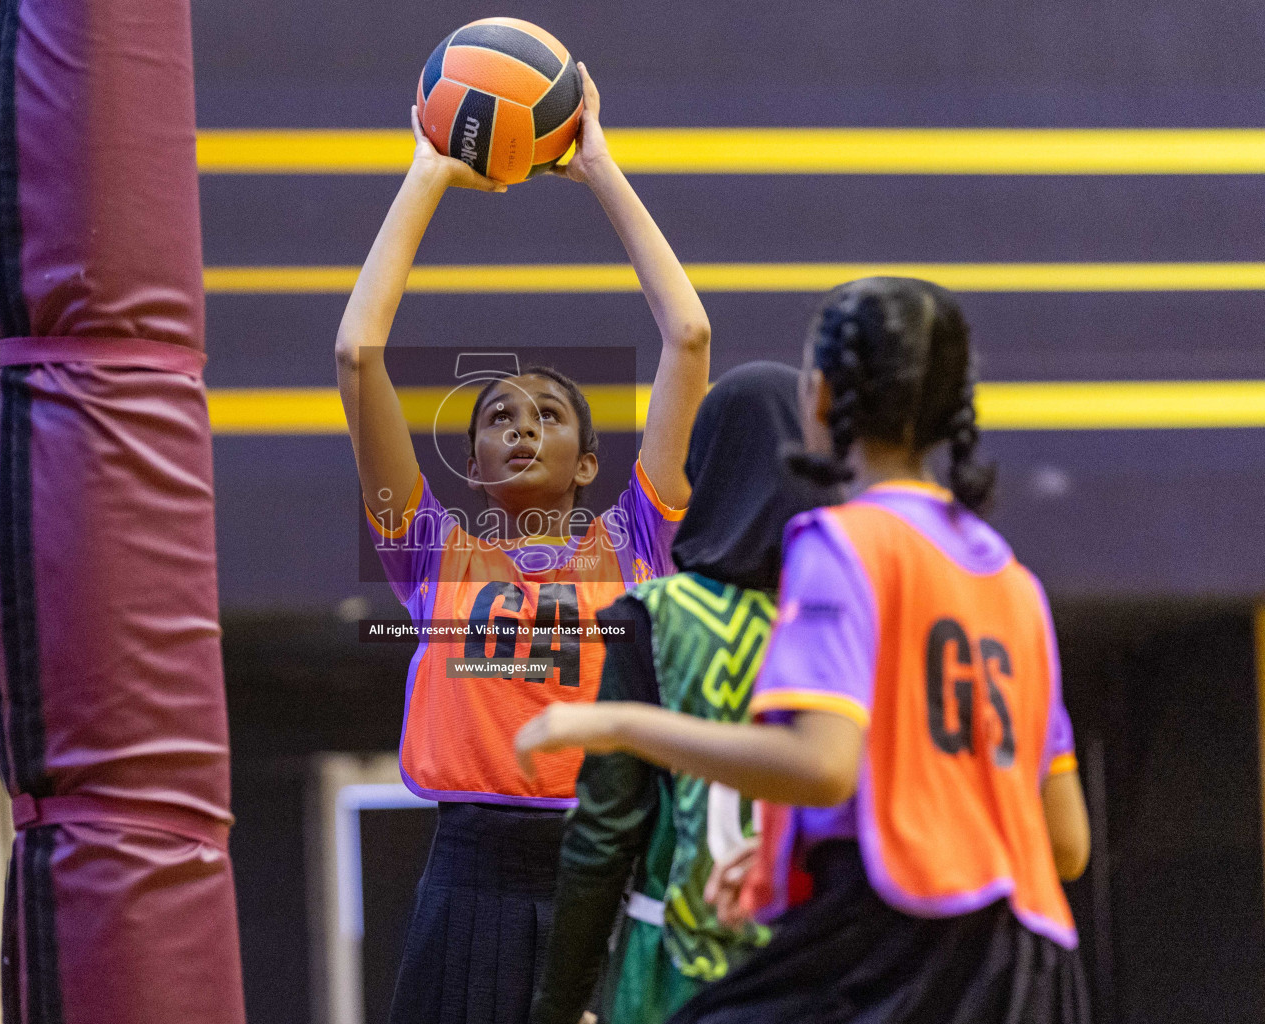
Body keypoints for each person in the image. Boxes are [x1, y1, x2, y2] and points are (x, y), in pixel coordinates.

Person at [517, 277, 1092, 1024]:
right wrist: (777, 859)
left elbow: (821, 768)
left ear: (819, 401)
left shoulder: (839, 545)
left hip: (902, 952)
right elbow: (1067, 841)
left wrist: (617, 726)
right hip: (1033, 970)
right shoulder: (1011, 580)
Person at [335, 64, 710, 1024]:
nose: (523, 424)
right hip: (468, 882)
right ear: (473, 462)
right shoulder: (432, 553)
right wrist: (425, 174)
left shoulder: (635, 542)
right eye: (499, 414)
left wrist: (601, 169)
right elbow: (356, 355)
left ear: (591, 463)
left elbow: (690, 335)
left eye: (550, 413)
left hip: (607, 870)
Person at [529, 362, 839, 1024]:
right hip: (827, 967)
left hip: (672, 974)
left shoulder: (654, 616)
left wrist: (557, 1006)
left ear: (708, 468)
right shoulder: (850, 613)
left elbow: (603, 836)